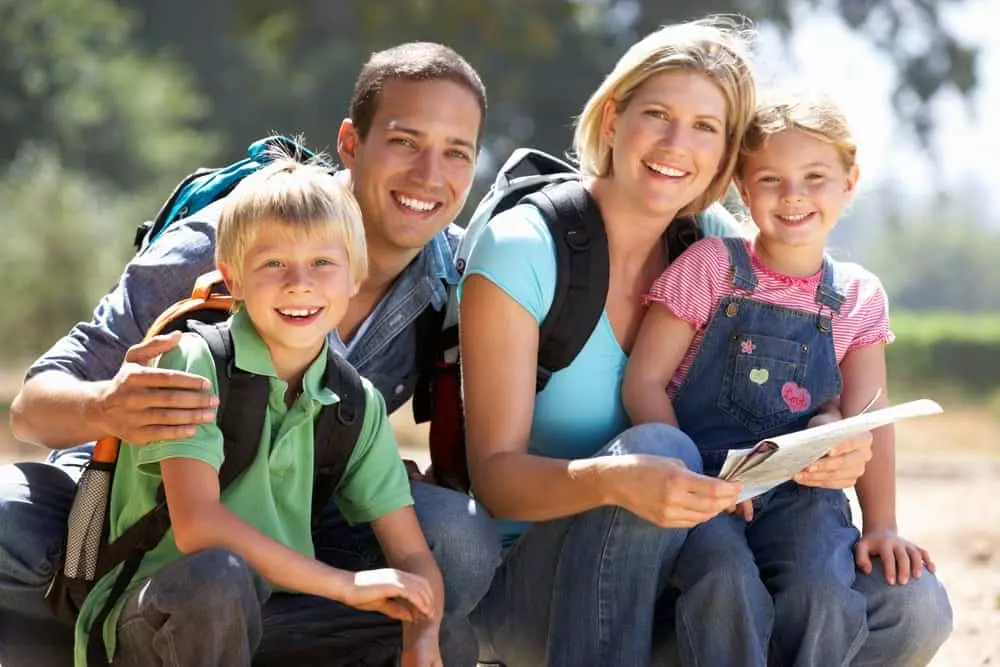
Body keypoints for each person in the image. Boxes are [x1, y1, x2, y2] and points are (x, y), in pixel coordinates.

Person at [459, 17, 951, 667]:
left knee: (914, 606)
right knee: (661, 450)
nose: (675, 143)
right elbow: (495, 479)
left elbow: (827, 375)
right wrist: (618, 481)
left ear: (726, 158)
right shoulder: (526, 246)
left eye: (706, 127)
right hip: (545, 586)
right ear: (612, 118)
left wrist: (838, 434)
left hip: (694, 569)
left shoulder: (717, 244)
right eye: (657, 114)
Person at [3, 42, 499, 667]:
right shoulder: (223, 240)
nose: (430, 175)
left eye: (457, 152)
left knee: (457, 551)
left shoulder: (456, 275)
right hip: (135, 514)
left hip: (294, 528)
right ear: (351, 142)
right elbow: (31, 408)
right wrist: (108, 405)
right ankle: (105, 629)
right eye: (404, 141)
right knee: (14, 522)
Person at [74, 156, 444, 666]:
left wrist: (421, 639)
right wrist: (345, 583)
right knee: (218, 578)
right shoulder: (194, 360)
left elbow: (410, 555)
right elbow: (198, 527)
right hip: (159, 616)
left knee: (435, 630)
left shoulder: (357, 402)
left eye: (322, 263)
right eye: (273, 263)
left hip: (271, 614)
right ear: (234, 278)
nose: (299, 283)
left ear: (355, 276)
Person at [622, 94, 938, 666]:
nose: (792, 195)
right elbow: (642, 383)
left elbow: (873, 419)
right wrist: (693, 479)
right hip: (706, 487)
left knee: (823, 590)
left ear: (850, 182)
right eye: (770, 178)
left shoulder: (859, 296)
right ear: (743, 188)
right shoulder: (710, 265)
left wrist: (882, 522)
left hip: (805, 497)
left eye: (815, 177)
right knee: (724, 580)